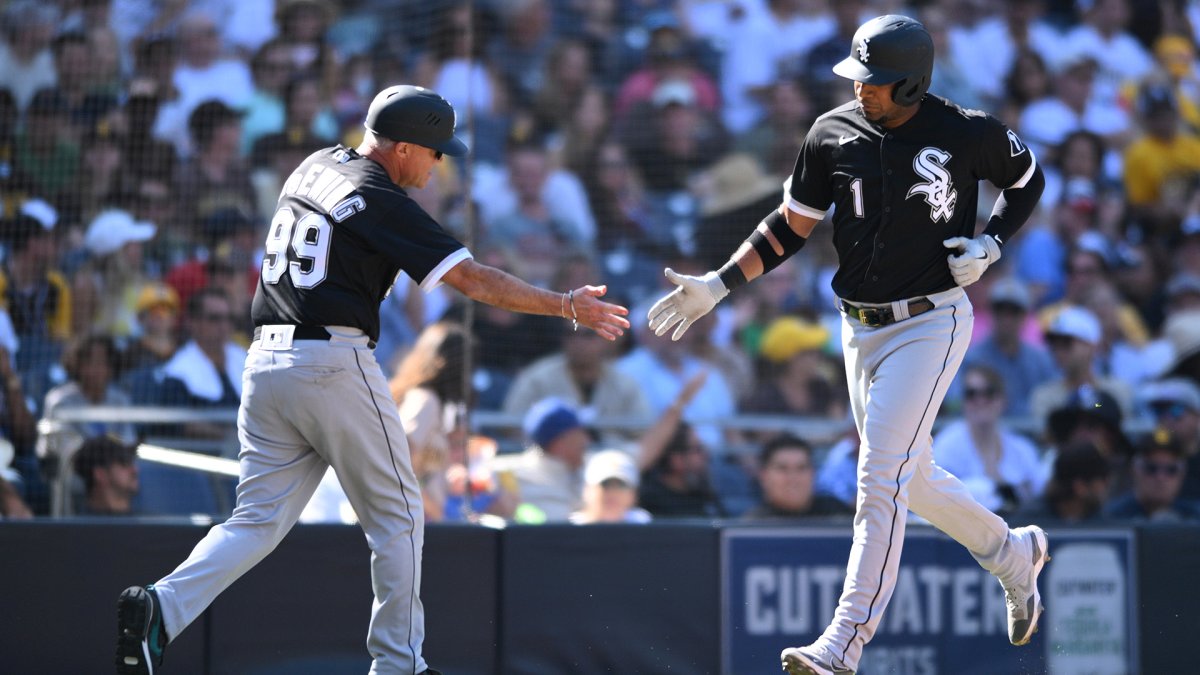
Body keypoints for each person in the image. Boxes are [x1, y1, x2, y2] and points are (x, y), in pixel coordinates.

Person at [114, 85, 629, 675]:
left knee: (255, 521)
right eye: (435, 152)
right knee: (400, 514)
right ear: (403, 148)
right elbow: (475, 282)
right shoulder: (381, 198)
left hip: (265, 362)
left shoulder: (314, 165)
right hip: (331, 362)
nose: (440, 164)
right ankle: (399, 664)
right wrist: (567, 304)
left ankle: (161, 607)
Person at [643, 16, 1050, 674]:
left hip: (932, 319)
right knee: (909, 481)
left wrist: (993, 242)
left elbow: (1028, 178)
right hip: (858, 326)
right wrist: (720, 285)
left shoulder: (965, 131)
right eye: (858, 77)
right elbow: (791, 226)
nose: (863, 90)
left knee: (876, 479)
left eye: (877, 82)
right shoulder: (832, 132)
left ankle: (843, 641)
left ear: (914, 82)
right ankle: (1012, 551)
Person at [743, 433, 853, 520]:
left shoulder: (840, 517)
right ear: (764, 476)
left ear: (813, 473)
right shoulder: (749, 528)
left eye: (801, 468)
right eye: (782, 468)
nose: (793, 478)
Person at [1105, 429, 1200, 522]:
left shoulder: (1194, 517)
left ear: (1181, 475)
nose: (1161, 477)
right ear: (1135, 470)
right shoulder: (1111, 518)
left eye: (1171, 470)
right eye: (1151, 468)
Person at [570, 448, 652, 524]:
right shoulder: (569, 528)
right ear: (586, 490)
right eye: (606, 484)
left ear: (634, 494)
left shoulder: (644, 524)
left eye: (621, 485)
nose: (613, 493)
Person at [73, 434, 139, 516]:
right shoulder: (79, 526)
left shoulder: (148, 524)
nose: (135, 470)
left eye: (131, 463)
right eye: (124, 463)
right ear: (100, 474)